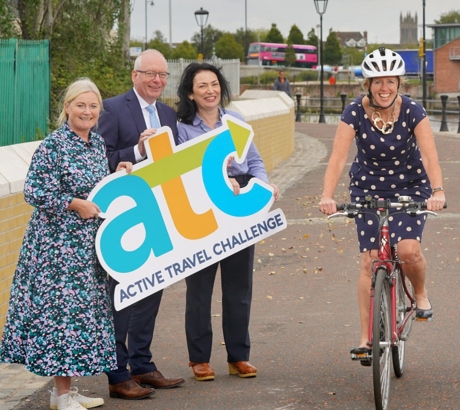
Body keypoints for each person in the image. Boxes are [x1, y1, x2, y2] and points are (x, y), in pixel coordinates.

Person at [0, 78, 132, 410]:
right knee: (61, 317)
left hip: (86, 247)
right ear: (67, 108)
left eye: (92, 106)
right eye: (80, 105)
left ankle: (67, 391)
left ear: (99, 110)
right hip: (55, 250)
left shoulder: (98, 144)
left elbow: (96, 186)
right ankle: (59, 394)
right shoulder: (54, 145)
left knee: (79, 316)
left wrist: (118, 171)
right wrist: (75, 203)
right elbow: (34, 191)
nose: (86, 111)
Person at [318, 47, 445, 356]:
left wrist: (437, 191)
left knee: (408, 251)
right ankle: (365, 339)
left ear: (399, 83)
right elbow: (337, 158)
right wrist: (327, 195)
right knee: (370, 260)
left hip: (410, 187)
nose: (384, 88)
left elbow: (429, 155)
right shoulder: (354, 113)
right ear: (368, 84)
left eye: (390, 81)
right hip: (368, 190)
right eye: (377, 81)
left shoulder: (414, 111)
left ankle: (420, 292)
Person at [176, 62, 280, 381]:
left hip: (238, 207)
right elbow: (179, 172)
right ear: (191, 94)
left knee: (239, 287)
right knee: (200, 288)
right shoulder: (181, 127)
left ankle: (238, 356)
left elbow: (255, 160)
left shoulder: (235, 120)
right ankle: (199, 359)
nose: (210, 90)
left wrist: (263, 186)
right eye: (202, 86)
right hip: (201, 208)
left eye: (214, 84)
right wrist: (219, 180)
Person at [97, 49, 184, 399]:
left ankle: (143, 366)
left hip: (156, 213)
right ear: (135, 75)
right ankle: (117, 374)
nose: (157, 81)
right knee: (122, 296)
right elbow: (98, 158)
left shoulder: (168, 114)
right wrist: (136, 150)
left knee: (151, 289)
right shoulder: (112, 108)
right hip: (122, 217)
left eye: (162, 75)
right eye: (150, 74)